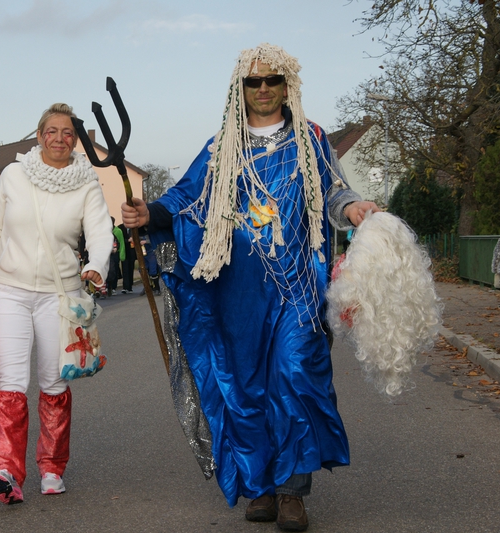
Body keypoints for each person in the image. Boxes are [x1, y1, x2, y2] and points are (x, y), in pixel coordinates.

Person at [121, 44, 380, 532]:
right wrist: (147, 213)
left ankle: (292, 492)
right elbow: (184, 199)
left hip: (298, 285)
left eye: (272, 79)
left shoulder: (311, 138)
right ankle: (259, 486)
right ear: (239, 89)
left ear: (287, 85)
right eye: (253, 81)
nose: (263, 88)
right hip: (236, 290)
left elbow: (333, 190)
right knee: (245, 385)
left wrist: (353, 208)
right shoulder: (222, 146)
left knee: (296, 374)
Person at [0, 103, 111, 504]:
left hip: (60, 295)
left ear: (75, 140)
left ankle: (52, 467)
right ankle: (5, 470)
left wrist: (97, 265)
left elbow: (100, 233)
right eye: (51, 131)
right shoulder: (14, 175)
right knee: (10, 382)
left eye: (67, 133)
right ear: (39, 136)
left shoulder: (87, 183)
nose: (59, 139)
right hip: (9, 290)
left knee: (54, 382)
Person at [107, 217, 125, 297]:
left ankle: (112, 287)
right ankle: (106, 287)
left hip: (114, 254)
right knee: (107, 270)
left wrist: (117, 249)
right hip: (106, 254)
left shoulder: (117, 231)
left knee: (113, 271)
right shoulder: (103, 231)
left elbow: (118, 242)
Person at [118, 223, 136, 293]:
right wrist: (127, 240)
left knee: (131, 268)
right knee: (125, 269)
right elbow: (120, 239)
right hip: (124, 251)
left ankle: (130, 286)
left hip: (132, 251)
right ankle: (125, 286)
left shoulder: (134, 227)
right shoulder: (120, 228)